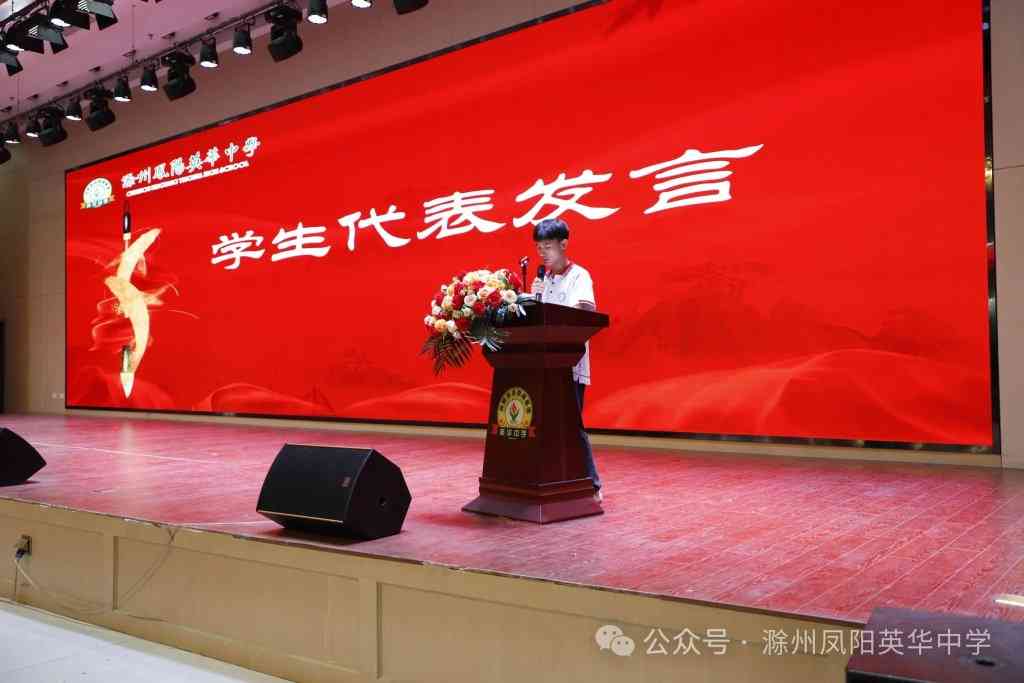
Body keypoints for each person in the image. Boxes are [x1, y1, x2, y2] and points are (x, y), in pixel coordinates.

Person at [530, 218, 602, 502]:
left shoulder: (579, 276)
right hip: (544, 363)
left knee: (572, 425)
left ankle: (593, 486)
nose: (543, 253)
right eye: (539, 248)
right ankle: (557, 481)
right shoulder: (543, 281)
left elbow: (583, 309)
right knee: (547, 426)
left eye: (548, 246)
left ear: (564, 244)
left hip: (570, 363)